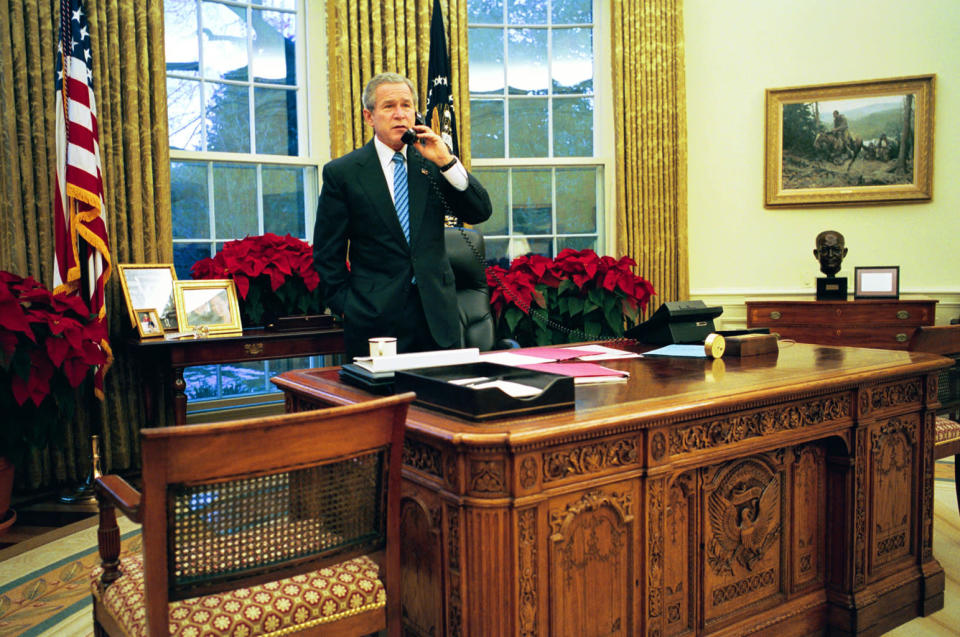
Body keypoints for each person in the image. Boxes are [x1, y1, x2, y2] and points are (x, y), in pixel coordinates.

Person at [312, 72, 493, 360]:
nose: (400, 114)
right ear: (369, 116)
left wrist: (447, 161)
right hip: (374, 320)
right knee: (382, 403)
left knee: (443, 403)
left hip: (438, 319)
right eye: (389, 106)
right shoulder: (343, 173)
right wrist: (348, 306)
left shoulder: (433, 164)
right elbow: (326, 253)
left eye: (407, 106)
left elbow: (479, 211)